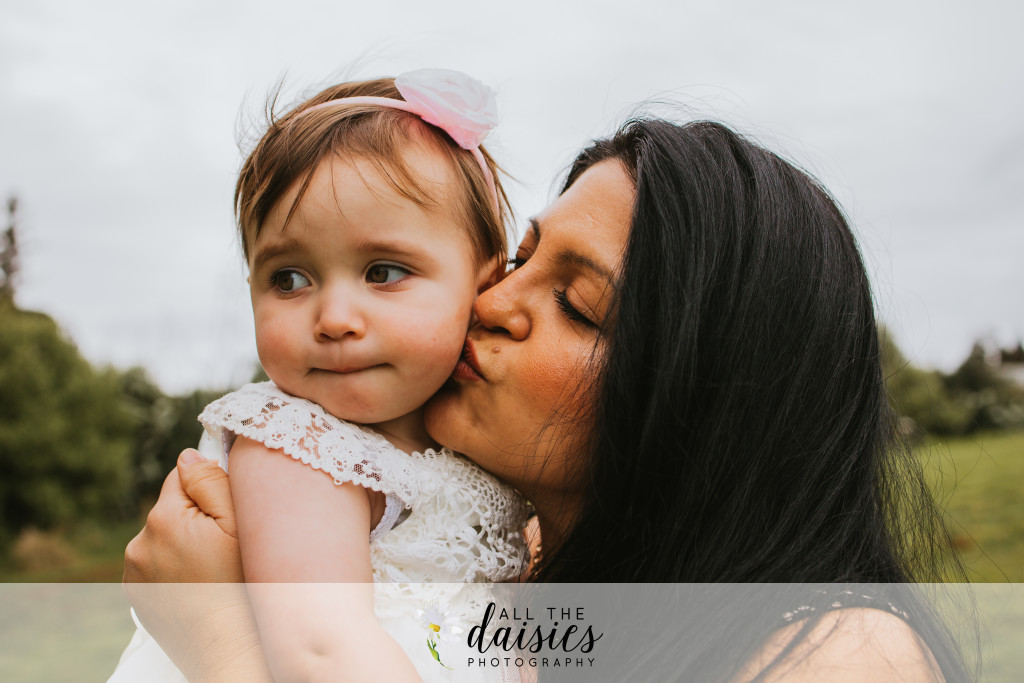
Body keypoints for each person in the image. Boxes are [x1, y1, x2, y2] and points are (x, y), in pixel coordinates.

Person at [125, 116, 972, 681]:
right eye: (519, 260)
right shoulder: (517, 576)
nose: (490, 303)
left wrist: (224, 648)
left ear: (705, 403)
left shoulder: (841, 653)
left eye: (577, 305)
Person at [112, 70, 531, 683]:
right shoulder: (300, 446)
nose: (334, 319)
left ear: (484, 288)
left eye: (384, 272)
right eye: (289, 279)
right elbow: (320, 651)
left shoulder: (481, 449)